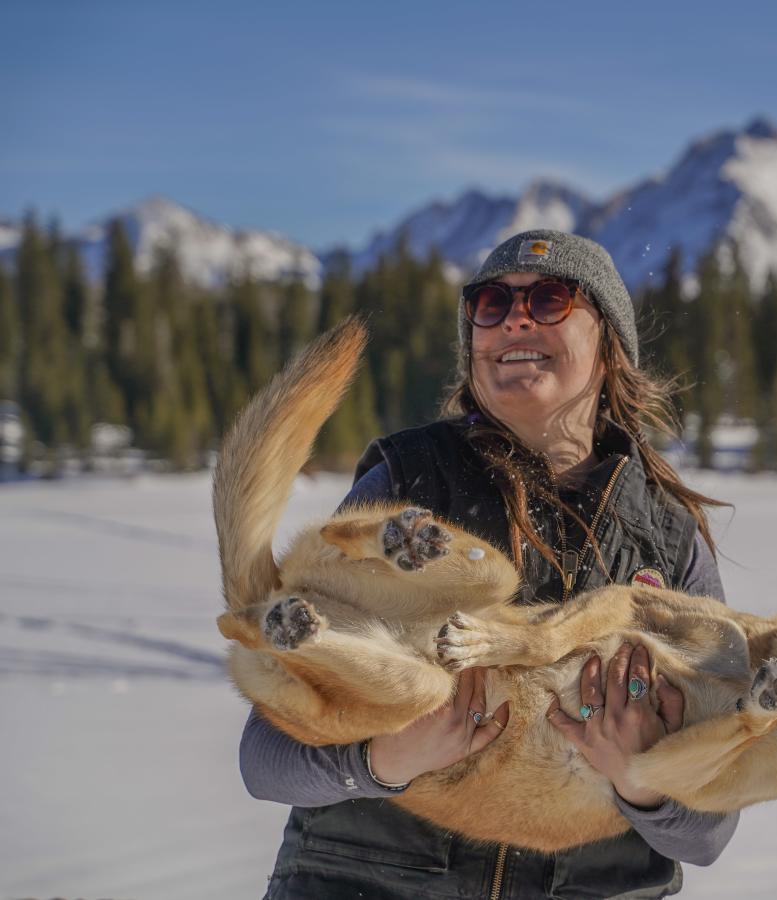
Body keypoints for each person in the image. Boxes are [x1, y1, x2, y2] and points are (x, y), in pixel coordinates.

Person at [239, 229, 738, 899]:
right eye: (492, 304)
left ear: (611, 345)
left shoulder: (670, 541)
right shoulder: (408, 486)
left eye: (552, 300)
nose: (516, 319)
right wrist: (385, 760)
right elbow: (263, 759)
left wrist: (640, 779)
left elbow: (709, 833)